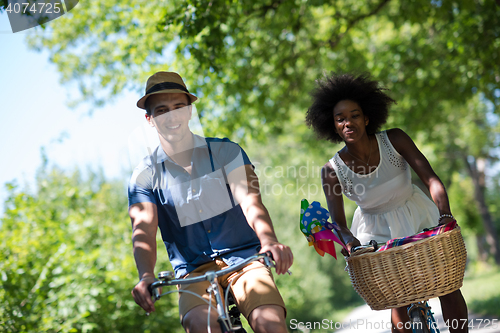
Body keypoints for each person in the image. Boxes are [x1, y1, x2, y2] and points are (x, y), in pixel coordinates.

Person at [128, 71, 293, 333]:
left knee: (269, 321)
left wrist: (269, 240)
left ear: (190, 111)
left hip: (245, 259)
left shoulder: (227, 152)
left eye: (178, 107)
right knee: (201, 325)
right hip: (193, 271)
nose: (172, 116)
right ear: (150, 119)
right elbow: (144, 230)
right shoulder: (144, 176)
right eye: (162, 110)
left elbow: (250, 202)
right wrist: (146, 275)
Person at [305, 72, 469, 333]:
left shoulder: (395, 140)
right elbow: (338, 222)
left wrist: (445, 214)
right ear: (333, 126)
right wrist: (348, 241)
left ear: (367, 118)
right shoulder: (331, 171)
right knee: (397, 297)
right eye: (340, 118)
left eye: (354, 115)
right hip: (375, 231)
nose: (348, 122)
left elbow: (431, 180)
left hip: (418, 216)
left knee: (448, 287)